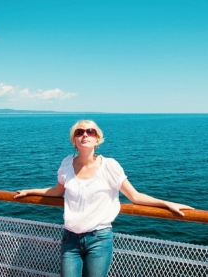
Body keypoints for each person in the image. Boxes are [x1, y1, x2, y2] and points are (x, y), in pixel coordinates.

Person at [14, 119, 193, 277]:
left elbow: (135, 196)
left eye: (90, 131)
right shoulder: (67, 163)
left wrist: (167, 203)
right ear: (74, 140)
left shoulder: (109, 166)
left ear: (97, 139)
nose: (85, 135)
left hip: (98, 239)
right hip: (70, 239)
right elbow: (57, 191)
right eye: (80, 132)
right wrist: (30, 191)